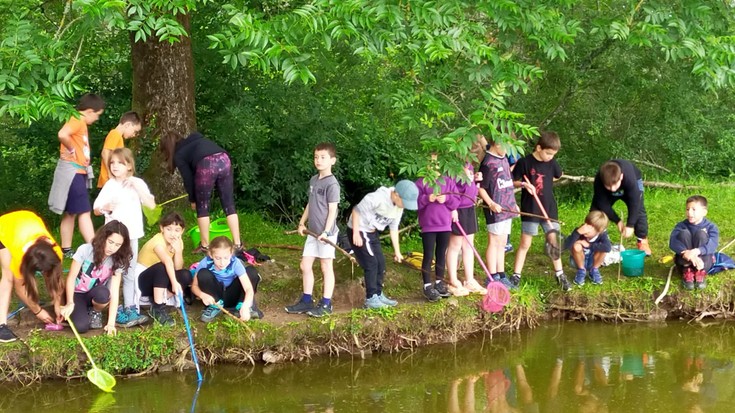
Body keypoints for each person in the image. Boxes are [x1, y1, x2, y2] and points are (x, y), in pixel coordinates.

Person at [94, 148, 156, 327]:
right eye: (112, 163)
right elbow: (96, 209)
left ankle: (129, 307)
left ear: (129, 165)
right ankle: (102, 307)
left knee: (128, 272)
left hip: (132, 236)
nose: (115, 166)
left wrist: (136, 186)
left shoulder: (137, 182)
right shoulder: (109, 185)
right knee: (107, 271)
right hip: (111, 238)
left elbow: (151, 204)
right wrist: (106, 206)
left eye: (120, 163)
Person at [161, 131, 242, 254]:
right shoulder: (196, 140)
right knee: (229, 204)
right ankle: (237, 244)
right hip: (224, 159)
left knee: (202, 207)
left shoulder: (179, 154)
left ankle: (205, 246)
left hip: (206, 164)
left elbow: (188, 179)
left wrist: (193, 200)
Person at [285, 143, 341, 317]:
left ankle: (326, 304)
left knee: (326, 266)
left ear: (332, 160)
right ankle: (306, 301)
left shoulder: (332, 184)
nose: (318, 160)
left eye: (323, 157)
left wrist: (326, 232)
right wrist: (302, 223)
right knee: (305, 264)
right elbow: (310, 204)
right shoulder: (314, 180)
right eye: (316, 157)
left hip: (327, 234)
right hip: (312, 232)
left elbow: (332, 210)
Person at [48, 93, 106, 258]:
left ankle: (65, 249)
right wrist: (71, 149)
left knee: (71, 212)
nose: (96, 119)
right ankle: (96, 249)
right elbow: (62, 134)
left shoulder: (78, 121)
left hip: (76, 171)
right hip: (73, 172)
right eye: (97, 115)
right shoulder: (77, 120)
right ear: (89, 111)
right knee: (84, 212)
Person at [511, 131, 569, 291]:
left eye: (553, 154)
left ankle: (560, 274)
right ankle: (516, 275)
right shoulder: (524, 162)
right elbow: (513, 181)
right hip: (531, 209)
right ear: (538, 148)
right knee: (525, 243)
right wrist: (523, 185)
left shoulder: (551, 163)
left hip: (549, 209)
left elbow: (559, 174)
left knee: (553, 242)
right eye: (548, 153)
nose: (550, 156)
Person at [347, 180, 418, 309]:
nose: (405, 206)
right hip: (359, 229)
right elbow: (356, 211)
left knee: (381, 263)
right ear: (396, 195)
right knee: (371, 263)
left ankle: (378, 294)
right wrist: (356, 233)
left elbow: (394, 229)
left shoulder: (398, 207)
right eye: (405, 202)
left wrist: (397, 252)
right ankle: (370, 298)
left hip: (372, 232)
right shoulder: (377, 198)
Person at [0, 211, 64, 342]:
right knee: (8, 277)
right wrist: (37, 311)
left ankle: (34, 299)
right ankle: (1, 325)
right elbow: (20, 287)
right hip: (4, 227)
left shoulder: (56, 252)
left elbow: (55, 278)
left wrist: (58, 304)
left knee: (50, 272)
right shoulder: (19, 256)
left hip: (28, 219)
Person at [60, 221, 133, 335]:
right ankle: (80, 310)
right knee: (81, 327)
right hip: (76, 294)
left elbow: (114, 292)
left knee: (104, 293)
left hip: (95, 293)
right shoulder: (85, 250)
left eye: (117, 245)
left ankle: (95, 311)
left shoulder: (117, 259)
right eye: (110, 242)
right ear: (103, 238)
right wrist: (69, 302)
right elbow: (71, 278)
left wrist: (111, 324)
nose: (112, 248)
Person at [415, 154, 460, 301]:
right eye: (431, 164)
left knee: (441, 253)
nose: (434, 167)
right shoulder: (421, 182)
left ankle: (439, 282)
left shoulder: (448, 181)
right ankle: (427, 285)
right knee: (428, 255)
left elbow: (456, 201)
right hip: (428, 226)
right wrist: (427, 199)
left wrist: (446, 198)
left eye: (436, 164)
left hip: (445, 225)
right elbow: (415, 202)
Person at [478, 135, 519, 288]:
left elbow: (508, 184)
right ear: (496, 144)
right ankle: (492, 275)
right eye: (506, 147)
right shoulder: (488, 163)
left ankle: (501, 274)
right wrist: (491, 203)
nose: (508, 151)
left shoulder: (504, 159)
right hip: (495, 209)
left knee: (502, 242)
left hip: (507, 208)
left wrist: (513, 204)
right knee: (494, 242)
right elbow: (481, 188)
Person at [137, 212, 192, 326]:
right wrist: (174, 282)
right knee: (162, 267)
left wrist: (178, 251)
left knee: (186, 275)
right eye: (169, 229)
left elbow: (177, 268)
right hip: (143, 281)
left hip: (160, 281)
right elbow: (167, 261)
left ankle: (161, 298)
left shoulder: (178, 241)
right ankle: (157, 307)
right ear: (162, 228)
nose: (173, 234)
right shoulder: (157, 241)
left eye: (177, 230)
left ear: (182, 231)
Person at [192, 236, 261, 323]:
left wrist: (246, 305)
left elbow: (248, 288)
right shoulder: (205, 263)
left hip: (232, 295)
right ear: (210, 254)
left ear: (231, 253)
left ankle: (240, 306)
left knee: (251, 271)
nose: (222, 262)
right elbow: (194, 286)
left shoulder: (236, 263)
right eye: (218, 258)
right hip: (215, 297)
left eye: (226, 258)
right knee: (203, 273)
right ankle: (215, 307)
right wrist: (202, 295)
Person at [591, 159, 652, 256]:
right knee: (596, 213)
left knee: (639, 210)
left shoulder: (628, 177)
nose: (613, 189)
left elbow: (635, 203)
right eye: (608, 186)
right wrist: (617, 221)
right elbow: (602, 204)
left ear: (621, 177)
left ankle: (642, 240)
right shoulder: (599, 180)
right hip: (609, 186)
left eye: (615, 185)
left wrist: (630, 225)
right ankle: (599, 241)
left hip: (634, 181)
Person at [446, 159, 486, 295]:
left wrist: (475, 180)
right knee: (455, 245)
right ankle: (453, 280)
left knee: (469, 245)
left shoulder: (468, 163)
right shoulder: (452, 166)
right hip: (458, 209)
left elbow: (468, 185)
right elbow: (450, 189)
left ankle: (469, 280)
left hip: (470, 207)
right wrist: (453, 208)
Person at [669, 195, 718, 290]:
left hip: (703, 262)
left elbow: (713, 244)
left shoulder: (711, 227)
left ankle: (700, 272)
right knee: (683, 233)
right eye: (687, 209)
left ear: (704, 212)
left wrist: (697, 251)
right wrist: (686, 253)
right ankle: (687, 271)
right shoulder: (681, 225)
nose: (689, 212)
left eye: (694, 209)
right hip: (684, 262)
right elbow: (673, 242)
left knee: (701, 234)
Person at [564, 210, 612, 286]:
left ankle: (594, 270)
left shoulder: (602, 235)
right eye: (586, 223)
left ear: (599, 230)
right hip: (577, 261)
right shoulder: (580, 231)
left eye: (591, 226)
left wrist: (589, 245)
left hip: (593, 261)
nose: (586, 227)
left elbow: (608, 247)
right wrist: (577, 233)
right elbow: (566, 246)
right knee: (576, 245)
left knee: (603, 249)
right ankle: (581, 270)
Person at [97, 111, 142, 188]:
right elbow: (105, 152)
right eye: (135, 131)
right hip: (109, 180)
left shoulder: (118, 137)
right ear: (128, 125)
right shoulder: (115, 134)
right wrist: (110, 173)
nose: (134, 135)